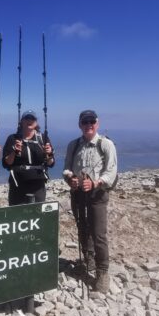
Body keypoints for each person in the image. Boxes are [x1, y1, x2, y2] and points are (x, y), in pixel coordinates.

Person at [63, 109, 117, 293]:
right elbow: (67, 168)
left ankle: (103, 272)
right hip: (78, 194)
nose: (88, 125)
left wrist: (95, 183)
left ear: (97, 123)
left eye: (91, 122)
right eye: (85, 122)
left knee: (98, 233)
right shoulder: (73, 145)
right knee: (82, 227)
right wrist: (71, 179)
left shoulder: (106, 144)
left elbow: (111, 172)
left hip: (97, 195)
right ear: (80, 125)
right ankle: (89, 259)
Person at [2, 110, 55, 205]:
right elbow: (6, 163)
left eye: (32, 118)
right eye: (27, 118)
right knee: (17, 215)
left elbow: (51, 163)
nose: (29, 120)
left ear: (36, 122)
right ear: (21, 121)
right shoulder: (13, 138)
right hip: (18, 184)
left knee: (37, 213)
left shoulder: (43, 138)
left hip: (38, 185)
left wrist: (49, 154)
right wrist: (14, 151)